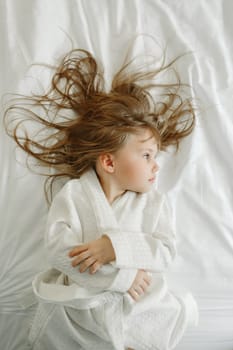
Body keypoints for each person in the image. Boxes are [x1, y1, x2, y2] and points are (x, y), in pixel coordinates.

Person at [5, 47, 198, 350]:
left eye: (156, 156)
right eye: (146, 155)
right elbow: (58, 249)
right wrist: (120, 279)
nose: (155, 165)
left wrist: (115, 247)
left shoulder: (154, 204)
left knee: (152, 324)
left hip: (137, 305)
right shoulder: (74, 195)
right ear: (109, 162)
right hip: (83, 308)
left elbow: (165, 251)